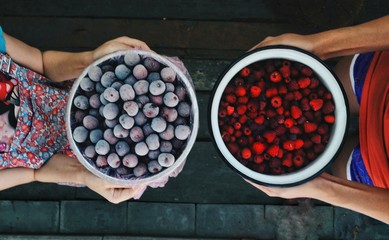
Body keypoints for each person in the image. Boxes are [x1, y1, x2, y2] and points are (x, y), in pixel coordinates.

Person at [248, 15, 389, 224]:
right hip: (380, 77)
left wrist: (321, 188)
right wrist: (318, 46)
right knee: (334, 91)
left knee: (340, 166)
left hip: (378, 170)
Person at [0, 26, 150, 203]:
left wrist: (90, 60)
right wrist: (84, 174)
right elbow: (35, 172)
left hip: (92, 94)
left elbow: (41, 63)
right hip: (86, 155)